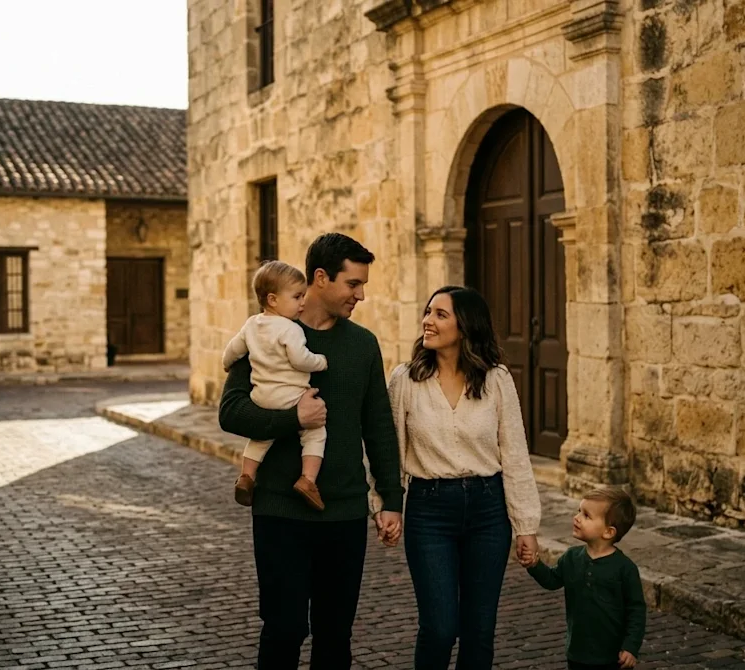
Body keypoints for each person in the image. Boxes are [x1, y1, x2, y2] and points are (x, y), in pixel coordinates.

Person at [218, 232, 404, 670]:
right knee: (283, 630)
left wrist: (391, 499)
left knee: (335, 635)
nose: (361, 294)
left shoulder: (363, 345)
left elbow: (378, 425)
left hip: (343, 511)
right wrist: (292, 420)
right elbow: (231, 412)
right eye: (353, 284)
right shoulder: (267, 333)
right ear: (321, 278)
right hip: (279, 510)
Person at [370, 285, 543, 669]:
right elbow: (387, 451)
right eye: (427, 312)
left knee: (479, 631)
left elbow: (515, 454)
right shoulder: (405, 380)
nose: (427, 321)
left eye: (440, 314)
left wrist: (525, 524)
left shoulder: (496, 380)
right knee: (440, 628)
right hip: (430, 512)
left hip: (489, 510)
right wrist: (386, 505)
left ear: (465, 326)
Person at [222, 260, 330, 510]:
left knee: (261, 437)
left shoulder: (251, 325)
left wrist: (226, 364)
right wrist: (320, 362)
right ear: (272, 299)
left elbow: (232, 351)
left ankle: (247, 476)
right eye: (297, 297)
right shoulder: (290, 329)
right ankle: (308, 480)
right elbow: (300, 359)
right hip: (290, 397)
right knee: (315, 433)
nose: (303, 302)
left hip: (261, 397)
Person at [528, 487, 647, 670]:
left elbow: (636, 610)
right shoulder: (571, 557)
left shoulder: (625, 568)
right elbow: (552, 580)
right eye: (578, 511)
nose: (577, 517)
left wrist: (630, 647)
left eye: (586, 515)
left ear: (608, 532)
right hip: (578, 652)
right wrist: (534, 565)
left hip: (612, 656)